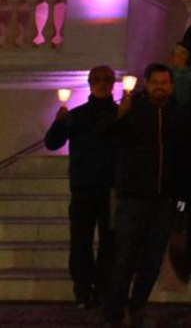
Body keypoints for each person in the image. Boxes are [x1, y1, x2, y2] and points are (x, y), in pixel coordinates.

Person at [102, 64, 190, 328]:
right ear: (147, 85)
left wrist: (182, 203)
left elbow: (186, 161)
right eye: (156, 82)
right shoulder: (132, 111)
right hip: (133, 199)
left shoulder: (179, 115)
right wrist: (118, 116)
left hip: (165, 201)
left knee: (152, 260)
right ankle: (114, 312)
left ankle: (138, 304)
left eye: (165, 82)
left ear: (171, 86)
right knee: (125, 258)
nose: (160, 86)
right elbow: (106, 138)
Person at [44, 65, 119, 308]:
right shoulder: (76, 115)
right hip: (84, 186)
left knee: (110, 243)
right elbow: (53, 143)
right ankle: (83, 291)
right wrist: (58, 123)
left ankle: (103, 289)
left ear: (113, 83)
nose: (102, 83)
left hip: (111, 189)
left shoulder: (122, 114)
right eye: (97, 79)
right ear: (89, 82)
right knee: (81, 242)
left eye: (107, 79)